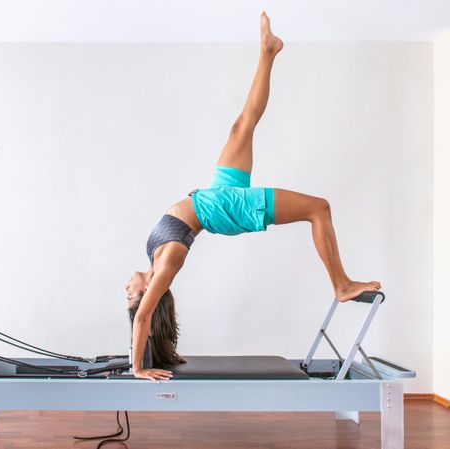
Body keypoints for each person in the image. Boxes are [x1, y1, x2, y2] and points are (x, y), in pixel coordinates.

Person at [125, 12, 381, 382]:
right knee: (318, 208)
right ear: (147, 290)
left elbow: (143, 311)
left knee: (243, 122)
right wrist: (137, 368)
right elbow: (145, 317)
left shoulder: (153, 253)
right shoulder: (168, 262)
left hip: (213, 195)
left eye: (129, 296)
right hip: (227, 210)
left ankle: (268, 51)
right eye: (131, 295)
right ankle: (341, 284)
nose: (128, 290)